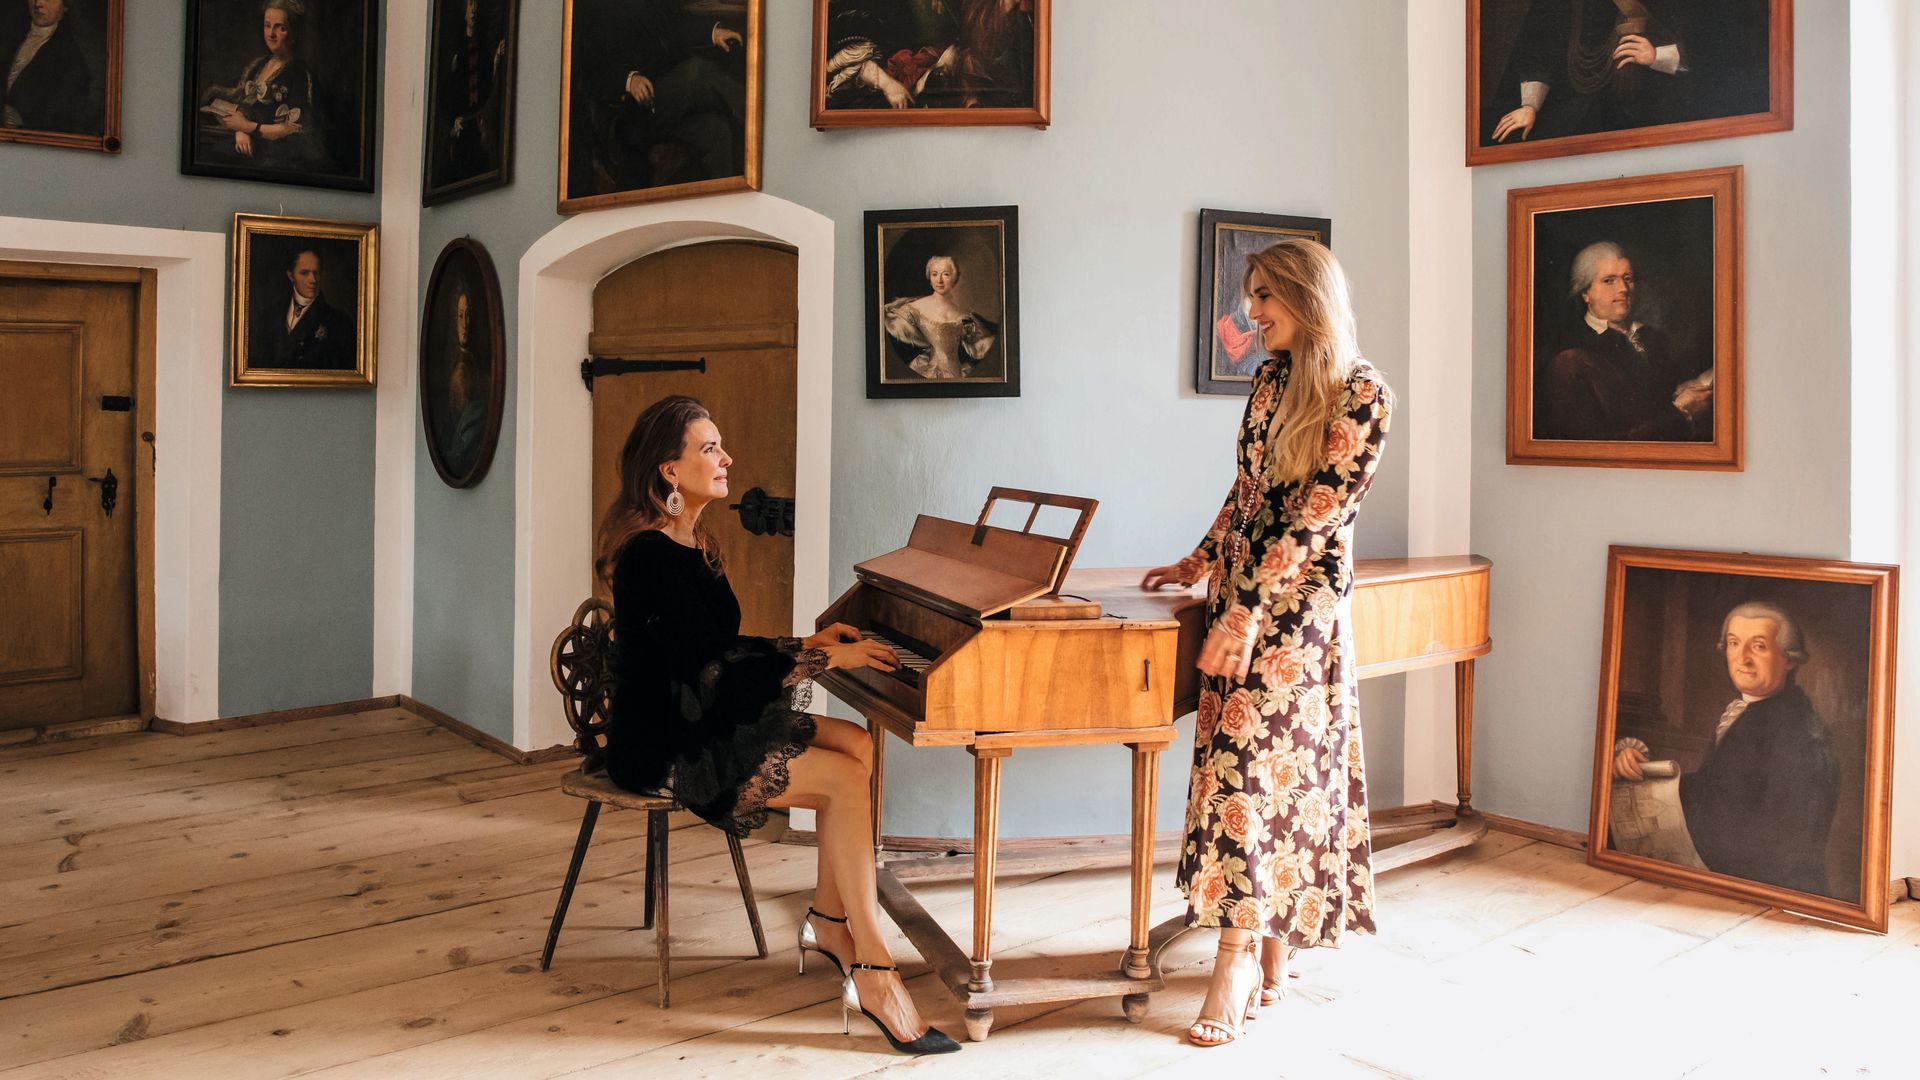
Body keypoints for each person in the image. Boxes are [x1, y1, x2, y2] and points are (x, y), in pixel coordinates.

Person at [596, 396, 960, 1056]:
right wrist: (819, 656)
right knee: (845, 781)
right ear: (669, 470)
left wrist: (808, 641)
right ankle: (874, 967)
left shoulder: (695, 541)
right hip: (665, 740)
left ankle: (827, 919)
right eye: (709, 448)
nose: (726, 457)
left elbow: (715, 647)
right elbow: (707, 668)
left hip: (701, 715)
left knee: (856, 745)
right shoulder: (647, 557)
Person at [1142, 239, 1391, 1047]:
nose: (1252, 313)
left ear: (1305, 296)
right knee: (1232, 769)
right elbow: (1250, 490)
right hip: (1238, 595)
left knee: (1260, 773)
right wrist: (1200, 557)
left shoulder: (1364, 394)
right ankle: (1266, 947)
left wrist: (1247, 612)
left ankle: (1237, 960)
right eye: (1250, 296)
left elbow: (1319, 514)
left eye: (1264, 297)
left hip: (1296, 614)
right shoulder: (1268, 380)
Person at [1613, 602, 1840, 896]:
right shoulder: (1756, 712)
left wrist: (1647, 793)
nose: (1742, 659)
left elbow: (1754, 830)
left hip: (1771, 895)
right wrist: (1640, 770)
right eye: (1734, 643)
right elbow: (1720, 789)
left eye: (1758, 646)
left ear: (1789, 659)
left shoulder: (1797, 730)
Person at [1488, 0, 1769, 145]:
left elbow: (1725, 46)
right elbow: (1541, 43)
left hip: (1660, 110)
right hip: (1575, 111)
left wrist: (1658, 55)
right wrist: (1530, 103)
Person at [1538, 241, 1711, 442]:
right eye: (1609, 280)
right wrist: (1682, 413)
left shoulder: (1651, 337)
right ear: (1585, 293)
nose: (1623, 288)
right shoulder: (1571, 350)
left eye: (1627, 278)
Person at [570, 0, 747, 193]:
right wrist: (628, 80)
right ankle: (761, 123)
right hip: (625, 113)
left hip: (663, 102)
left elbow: (676, 24)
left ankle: (722, 205)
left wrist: (713, 33)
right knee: (697, 72)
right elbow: (587, 69)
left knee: (717, 129)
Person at [197, 0, 319, 168]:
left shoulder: (299, 74)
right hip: (244, 143)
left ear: (293, 33)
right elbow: (241, 106)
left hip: (273, 155)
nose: (271, 33)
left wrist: (248, 127)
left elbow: (294, 129)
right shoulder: (257, 66)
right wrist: (240, 130)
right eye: (267, 25)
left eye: (280, 27)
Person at [882, 255, 996, 379]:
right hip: (928, 372)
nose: (939, 280)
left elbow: (981, 345)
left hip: (957, 374)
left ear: (955, 278)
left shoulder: (964, 315)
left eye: (946, 274)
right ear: (929, 278)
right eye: (934, 274)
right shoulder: (914, 308)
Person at [434, 0, 508, 186]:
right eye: (469, 5)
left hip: (478, 123)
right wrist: (452, 122)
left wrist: (496, 61)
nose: (473, 10)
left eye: (476, 5)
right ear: (464, 12)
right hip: (462, 126)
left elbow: (488, 85)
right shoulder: (456, 48)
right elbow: (445, 93)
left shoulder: (483, 46)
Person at [1, 0, 96, 134]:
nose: (38, 3)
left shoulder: (71, 61)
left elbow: (64, 122)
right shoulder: (10, 37)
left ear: (65, 6)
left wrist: (22, 126)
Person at [255, 248, 354, 370]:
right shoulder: (270, 315)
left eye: (316, 273)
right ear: (291, 276)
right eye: (304, 273)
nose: (313, 280)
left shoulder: (338, 320)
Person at [440, 288, 489, 476]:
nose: (465, 324)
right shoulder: (459, 373)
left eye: (468, 316)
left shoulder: (475, 364)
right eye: (460, 316)